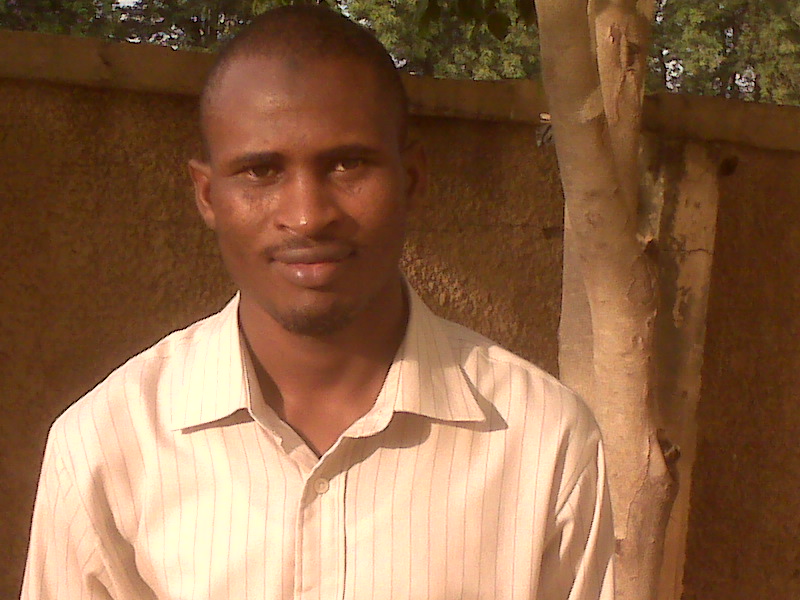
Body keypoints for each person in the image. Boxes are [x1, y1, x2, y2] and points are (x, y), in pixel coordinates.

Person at [20, 5, 614, 599]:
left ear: (411, 179)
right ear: (207, 196)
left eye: (347, 164)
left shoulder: (544, 441)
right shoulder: (106, 447)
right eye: (260, 171)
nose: (307, 216)